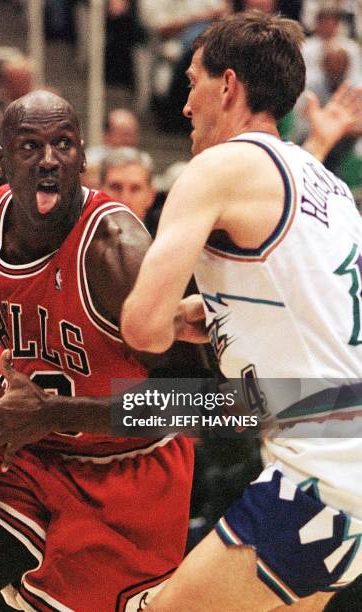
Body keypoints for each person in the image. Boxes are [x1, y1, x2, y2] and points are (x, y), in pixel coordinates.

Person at [0, 89, 202, 612]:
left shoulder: (117, 252)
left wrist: (57, 413)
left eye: (63, 145)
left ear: (84, 157)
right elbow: (18, 308)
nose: (49, 161)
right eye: (30, 146)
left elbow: (204, 401)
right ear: (2, 161)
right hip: (22, 453)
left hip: (125, 472)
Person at [121, 11, 362, 610]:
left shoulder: (216, 168)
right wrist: (217, 308)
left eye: (193, 83)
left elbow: (143, 331)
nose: (185, 106)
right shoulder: (323, 181)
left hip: (323, 472)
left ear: (227, 86)